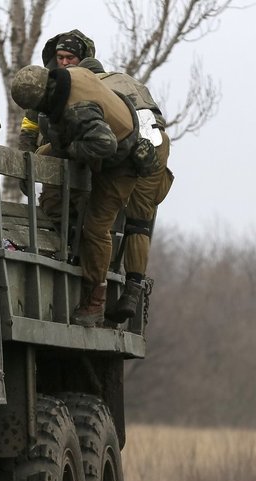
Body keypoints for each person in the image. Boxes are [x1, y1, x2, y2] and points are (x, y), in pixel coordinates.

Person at [10, 63, 143, 327]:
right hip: (96, 140)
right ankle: (64, 229)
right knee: (40, 159)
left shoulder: (77, 110)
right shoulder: (69, 75)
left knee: (96, 229)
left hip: (121, 160)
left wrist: (71, 151)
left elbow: (106, 143)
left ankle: (94, 300)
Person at [77, 57, 174, 323]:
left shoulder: (92, 88)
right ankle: (133, 291)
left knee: (101, 222)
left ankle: (95, 293)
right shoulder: (129, 80)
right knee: (140, 223)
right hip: (157, 141)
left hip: (130, 143)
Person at [17, 29, 95, 152]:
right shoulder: (44, 87)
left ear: (82, 59)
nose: (64, 62)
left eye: (70, 57)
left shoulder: (95, 85)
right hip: (49, 158)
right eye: (60, 57)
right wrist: (26, 162)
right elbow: (30, 127)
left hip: (85, 155)